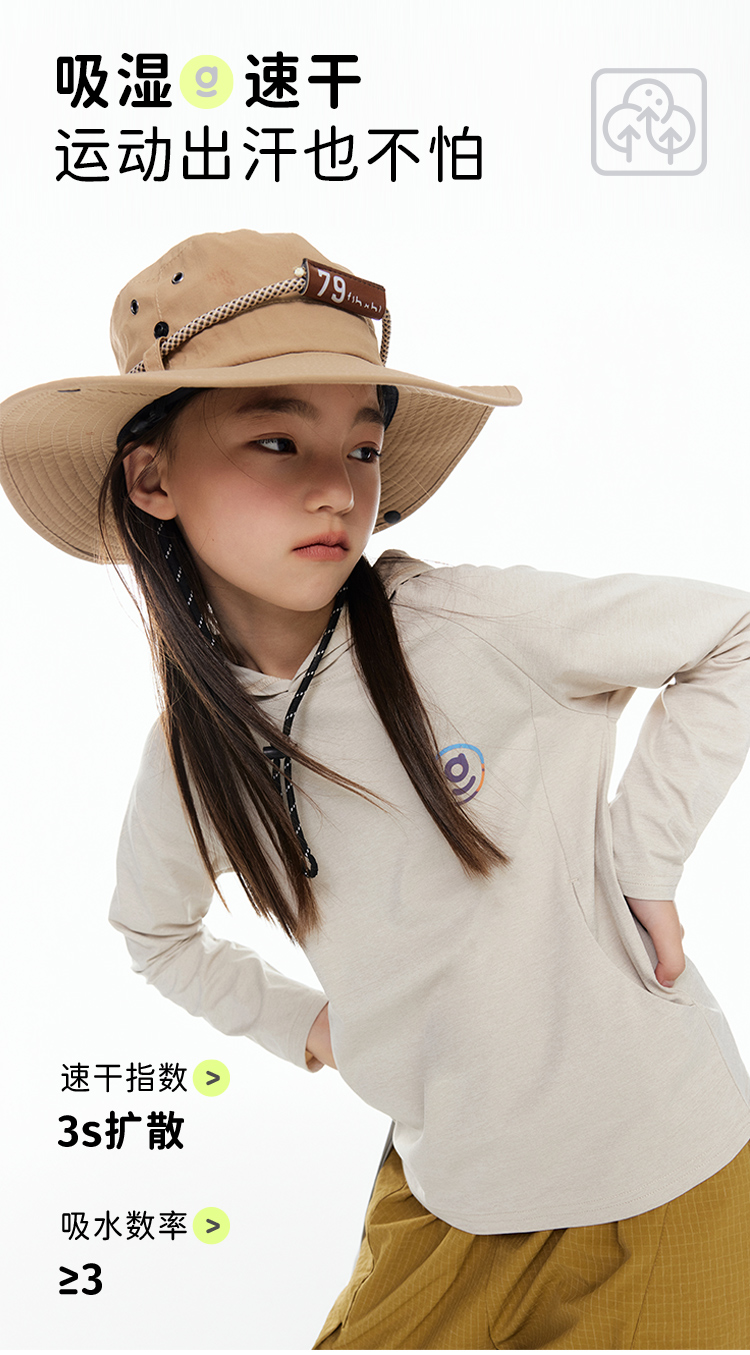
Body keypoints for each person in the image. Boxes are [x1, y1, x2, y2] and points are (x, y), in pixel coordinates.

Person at [1, 228, 749, 1350]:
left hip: (666, 1167)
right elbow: (154, 932)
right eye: (275, 438)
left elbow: (732, 633)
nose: (335, 489)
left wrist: (644, 861)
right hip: (452, 1196)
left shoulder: (469, 626)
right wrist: (311, 1026)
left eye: (362, 445)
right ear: (152, 477)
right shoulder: (192, 754)